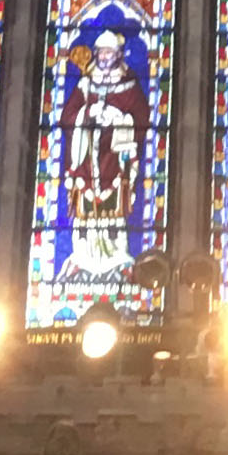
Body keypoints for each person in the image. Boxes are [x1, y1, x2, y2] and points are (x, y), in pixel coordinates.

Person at [63, 27, 144, 276]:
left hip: (115, 158)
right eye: (101, 52)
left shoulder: (129, 84)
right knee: (85, 206)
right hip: (87, 154)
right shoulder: (86, 84)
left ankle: (118, 256)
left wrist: (119, 117)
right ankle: (82, 255)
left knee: (114, 208)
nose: (105, 57)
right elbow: (68, 117)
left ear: (119, 55)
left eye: (110, 52)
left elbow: (143, 117)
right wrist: (87, 115)